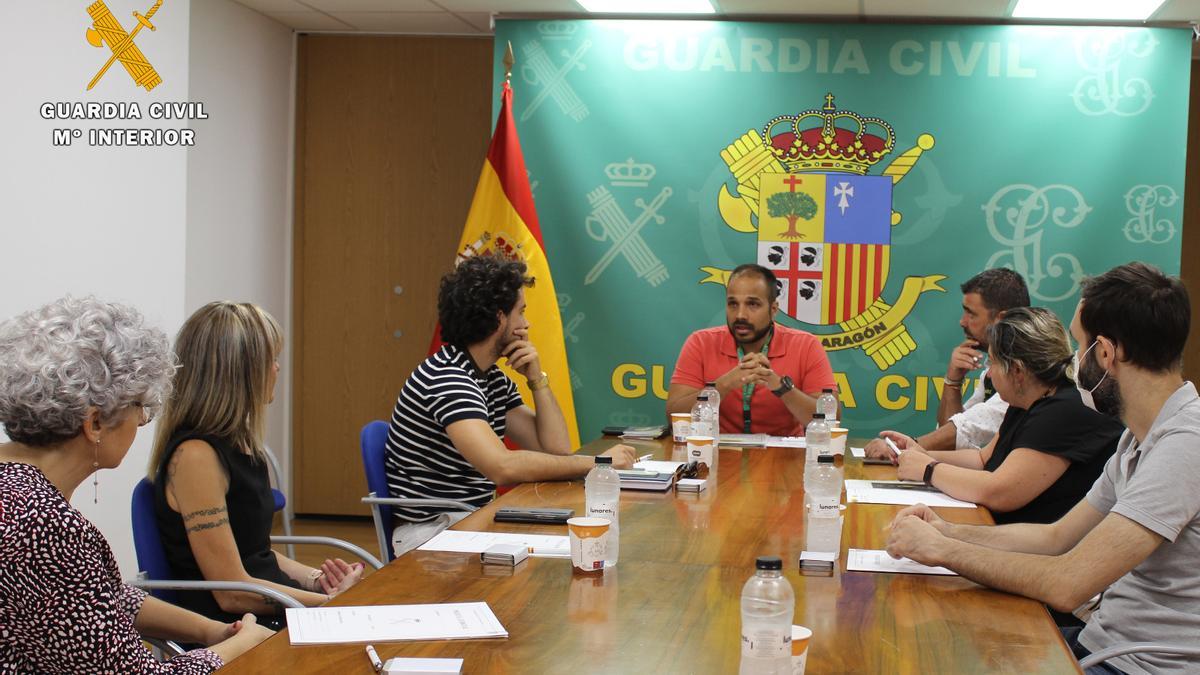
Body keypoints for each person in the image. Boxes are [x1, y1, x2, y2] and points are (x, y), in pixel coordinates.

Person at [886, 262, 1200, 675]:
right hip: (1100, 643)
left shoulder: (1185, 445)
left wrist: (942, 550)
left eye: (1079, 343)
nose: (1073, 360)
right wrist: (947, 530)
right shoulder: (1136, 439)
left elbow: (1067, 583)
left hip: (1134, 665)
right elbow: (1056, 538)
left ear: (1105, 352)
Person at [0, 296, 272, 672]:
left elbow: (99, 598)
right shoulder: (44, 525)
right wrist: (240, 647)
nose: (143, 422)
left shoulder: (17, 491)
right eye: (140, 407)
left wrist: (210, 630)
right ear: (94, 423)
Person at [386, 257, 637, 556]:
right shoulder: (447, 378)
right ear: (498, 317)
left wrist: (537, 378)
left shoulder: (489, 378)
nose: (527, 323)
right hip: (432, 533)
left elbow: (555, 448)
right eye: (521, 312)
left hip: (468, 520)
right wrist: (599, 463)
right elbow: (501, 467)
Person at [148, 302, 363, 626]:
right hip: (238, 628)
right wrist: (328, 604)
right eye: (271, 360)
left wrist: (316, 580)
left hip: (271, 610)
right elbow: (231, 592)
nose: (277, 369)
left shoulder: (241, 444)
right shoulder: (196, 457)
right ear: (240, 373)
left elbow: (255, 554)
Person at [882, 307, 1122, 525]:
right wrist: (917, 453)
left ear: (1017, 371)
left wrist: (928, 469)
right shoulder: (1027, 399)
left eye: (993, 363)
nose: (989, 372)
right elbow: (982, 459)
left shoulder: (1065, 409)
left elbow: (1000, 492)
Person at [865, 268, 1029, 459]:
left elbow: (967, 427)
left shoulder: (1024, 372)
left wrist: (903, 448)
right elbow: (953, 438)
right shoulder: (990, 373)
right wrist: (953, 381)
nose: (962, 322)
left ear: (1001, 319)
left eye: (971, 314)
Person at [667, 264, 835, 436]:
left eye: (752, 304)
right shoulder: (701, 342)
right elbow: (675, 417)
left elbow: (831, 420)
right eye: (733, 304)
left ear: (773, 309)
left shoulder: (806, 345)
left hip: (785, 457)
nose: (740, 315)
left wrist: (780, 387)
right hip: (718, 453)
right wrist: (724, 385)